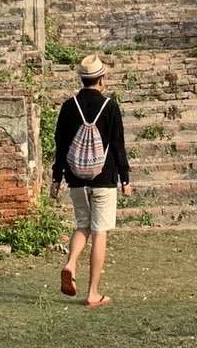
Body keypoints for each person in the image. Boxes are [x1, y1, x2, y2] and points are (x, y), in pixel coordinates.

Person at [51, 53, 132, 308]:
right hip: (104, 178)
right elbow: (118, 146)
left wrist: (56, 178)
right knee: (99, 233)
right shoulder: (110, 107)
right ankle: (93, 293)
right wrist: (125, 180)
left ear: (82, 79)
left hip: (76, 178)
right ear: (102, 79)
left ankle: (71, 262)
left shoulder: (68, 106)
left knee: (82, 225)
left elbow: (61, 145)